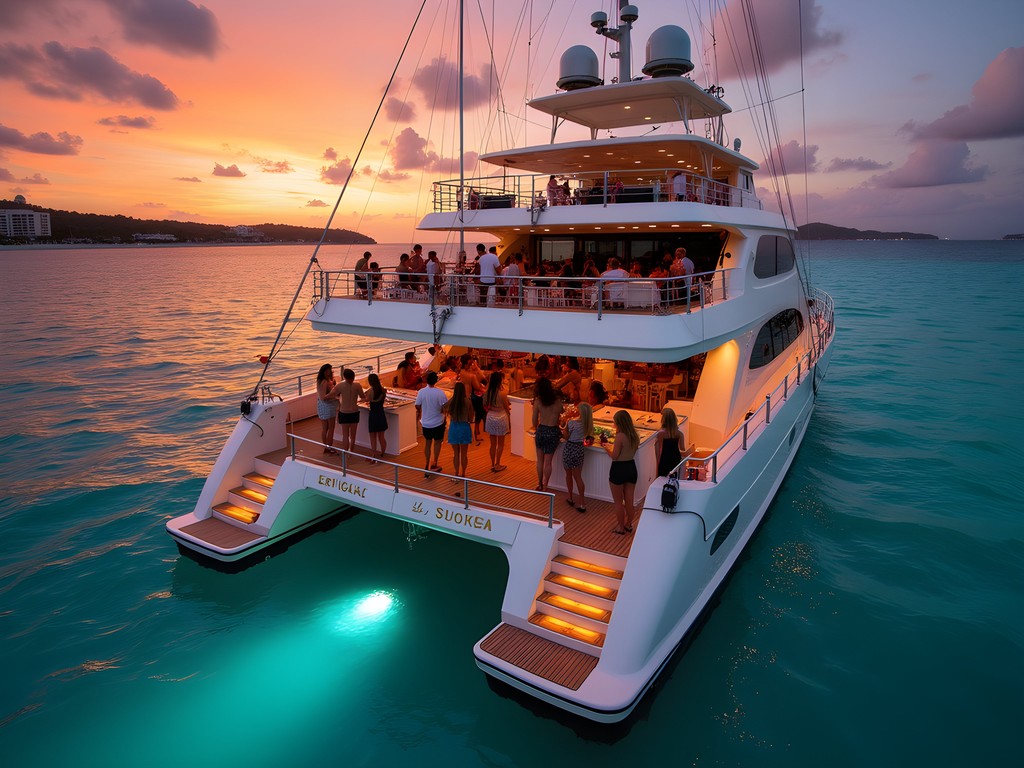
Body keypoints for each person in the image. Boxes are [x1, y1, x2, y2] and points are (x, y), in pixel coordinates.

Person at [603, 409, 640, 534]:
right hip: (631, 467)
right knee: (630, 501)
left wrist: (606, 448)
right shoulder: (635, 436)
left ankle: (620, 527)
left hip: (618, 469)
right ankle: (629, 524)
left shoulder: (620, 436)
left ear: (619, 422)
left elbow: (615, 456)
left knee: (618, 502)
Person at [532, 376, 564, 492]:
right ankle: (546, 485)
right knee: (548, 462)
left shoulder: (538, 401)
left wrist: (536, 427)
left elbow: (534, 420)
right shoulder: (557, 400)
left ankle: (539, 483)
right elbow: (562, 414)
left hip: (541, 430)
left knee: (539, 460)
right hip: (553, 431)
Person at [415, 370, 448, 477]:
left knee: (427, 443)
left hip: (425, 422)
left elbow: (417, 405)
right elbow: (445, 406)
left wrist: (421, 411)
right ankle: (435, 463)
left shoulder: (421, 392)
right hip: (438, 421)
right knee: (437, 442)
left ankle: (427, 463)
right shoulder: (440, 393)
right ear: (436, 380)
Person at [562, 402, 593, 512]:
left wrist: (563, 427)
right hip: (579, 449)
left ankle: (570, 497)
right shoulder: (587, 424)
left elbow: (566, 437)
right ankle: (582, 502)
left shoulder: (571, 422)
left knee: (568, 475)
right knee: (578, 477)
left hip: (570, 448)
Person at [445, 381, 473, 483]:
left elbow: (442, 408)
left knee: (456, 453)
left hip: (454, 427)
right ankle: (463, 474)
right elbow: (471, 416)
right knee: (464, 454)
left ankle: (456, 473)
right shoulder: (468, 401)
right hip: (464, 427)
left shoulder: (452, 401)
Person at [484, 370, 510, 472]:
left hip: (490, 416)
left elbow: (484, 405)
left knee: (492, 443)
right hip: (501, 416)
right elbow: (506, 407)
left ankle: (492, 463)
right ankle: (497, 463)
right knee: (501, 443)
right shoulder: (503, 393)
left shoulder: (487, 393)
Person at [460, 354, 488, 444]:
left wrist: (476, 369)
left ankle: (471, 435)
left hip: (464, 396)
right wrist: (486, 390)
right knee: (477, 415)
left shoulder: (462, 372)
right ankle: (474, 435)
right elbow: (479, 385)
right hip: (470, 397)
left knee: (467, 418)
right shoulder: (470, 375)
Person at [335, 368, 364, 455]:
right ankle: (351, 451)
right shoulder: (357, 385)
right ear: (353, 376)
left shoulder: (340, 385)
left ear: (344, 377)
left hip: (344, 412)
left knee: (345, 435)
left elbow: (333, 394)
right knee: (353, 434)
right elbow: (362, 396)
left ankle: (345, 452)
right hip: (354, 411)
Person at [316, 363, 340, 454]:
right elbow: (323, 397)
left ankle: (327, 446)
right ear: (326, 371)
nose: (331, 371)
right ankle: (329, 447)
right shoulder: (324, 382)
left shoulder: (322, 381)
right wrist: (334, 393)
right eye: (330, 370)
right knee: (330, 428)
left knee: (325, 428)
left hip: (322, 406)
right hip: (328, 406)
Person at [655, 407, 685, 477]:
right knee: (674, 478)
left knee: (662, 479)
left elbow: (657, 451)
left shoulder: (660, 434)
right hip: (675, 457)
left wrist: (657, 464)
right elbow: (682, 448)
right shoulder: (679, 434)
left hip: (664, 458)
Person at [365, 372, 388, 462]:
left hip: (373, 414)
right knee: (381, 436)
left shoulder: (371, 391)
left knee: (373, 436)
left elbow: (366, 399)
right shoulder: (383, 390)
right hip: (381, 413)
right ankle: (383, 453)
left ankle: (373, 455)